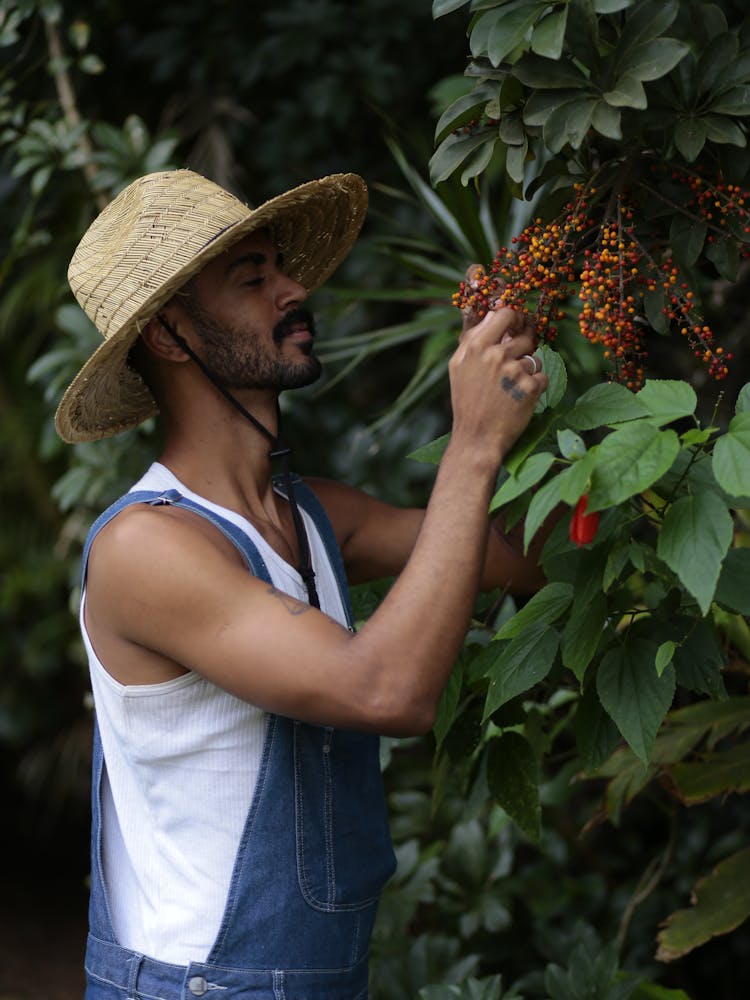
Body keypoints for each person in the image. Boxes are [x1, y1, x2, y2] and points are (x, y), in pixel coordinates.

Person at [55, 168, 548, 999]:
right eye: (253, 279)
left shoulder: (316, 517)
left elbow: (521, 559)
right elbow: (388, 691)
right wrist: (470, 447)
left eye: (281, 267)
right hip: (197, 986)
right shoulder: (145, 549)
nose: (294, 290)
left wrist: (522, 381)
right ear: (172, 337)